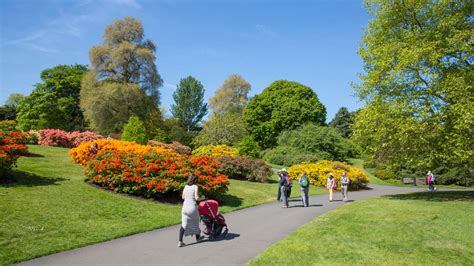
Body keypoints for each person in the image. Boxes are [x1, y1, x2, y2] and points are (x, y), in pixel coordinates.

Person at [178, 173, 204, 247]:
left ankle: (180, 241)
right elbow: (196, 198)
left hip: (184, 208)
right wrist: (203, 198)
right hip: (192, 207)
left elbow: (183, 197)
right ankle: (198, 238)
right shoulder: (195, 187)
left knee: (184, 224)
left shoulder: (186, 187)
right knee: (196, 222)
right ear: (195, 180)